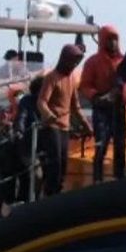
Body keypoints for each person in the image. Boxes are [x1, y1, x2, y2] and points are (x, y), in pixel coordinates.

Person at [37, 44, 92, 195]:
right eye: (72, 61)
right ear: (64, 59)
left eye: (77, 62)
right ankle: (49, 197)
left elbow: (76, 107)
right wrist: (48, 115)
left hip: (65, 129)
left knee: (63, 166)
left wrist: (87, 125)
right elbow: (41, 101)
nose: (74, 65)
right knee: (54, 165)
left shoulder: (72, 79)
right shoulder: (51, 77)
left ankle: (56, 194)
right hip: (52, 128)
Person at [80, 25, 126, 182]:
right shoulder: (92, 62)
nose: (113, 42)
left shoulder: (124, 60)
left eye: (115, 39)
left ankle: (119, 178)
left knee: (120, 147)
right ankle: (97, 180)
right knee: (101, 147)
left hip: (119, 109)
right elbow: (84, 85)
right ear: (102, 41)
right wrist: (96, 97)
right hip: (101, 109)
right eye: (109, 39)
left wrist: (123, 94)